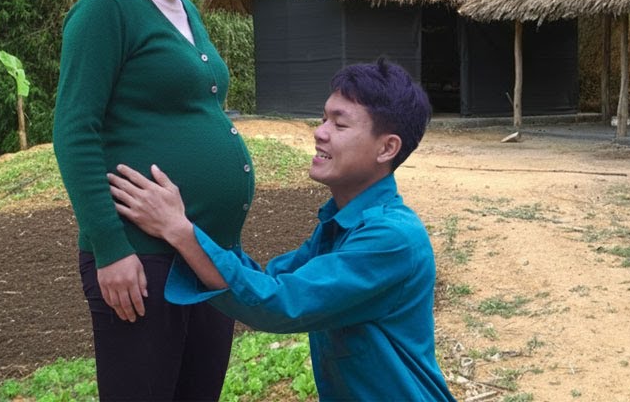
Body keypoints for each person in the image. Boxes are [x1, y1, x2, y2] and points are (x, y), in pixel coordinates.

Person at [108, 60, 457, 402]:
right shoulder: (343, 223)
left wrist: (180, 231)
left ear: (387, 148)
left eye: (340, 124)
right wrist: (197, 224)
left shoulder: (391, 239)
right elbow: (267, 277)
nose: (319, 132)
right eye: (323, 119)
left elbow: (279, 302)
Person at [53, 0, 268, 401]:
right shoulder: (107, 9)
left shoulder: (184, 10)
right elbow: (75, 131)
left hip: (206, 252)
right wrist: (110, 249)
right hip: (142, 257)